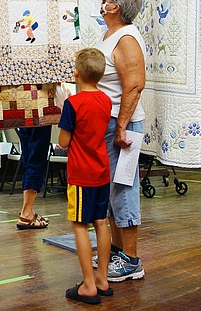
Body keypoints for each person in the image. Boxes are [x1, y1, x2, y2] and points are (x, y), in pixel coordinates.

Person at [94, 0, 146, 282]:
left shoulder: (127, 38)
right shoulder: (110, 35)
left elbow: (135, 84)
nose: (102, 2)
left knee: (124, 189)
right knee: (113, 191)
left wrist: (122, 126)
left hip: (121, 125)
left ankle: (131, 260)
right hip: (109, 123)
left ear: (115, 7)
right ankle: (117, 250)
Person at [57, 48, 113, 304]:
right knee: (101, 222)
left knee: (79, 225)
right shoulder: (106, 100)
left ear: (76, 74)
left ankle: (88, 285)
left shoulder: (72, 104)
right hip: (102, 171)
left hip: (81, 175)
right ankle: (102, 278)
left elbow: (64, 140)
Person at [16, 126, 51, 230]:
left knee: (28, 161)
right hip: (39, 117)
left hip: (25, 116)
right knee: (36, 160)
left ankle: (27, 210)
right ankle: (26, 213)